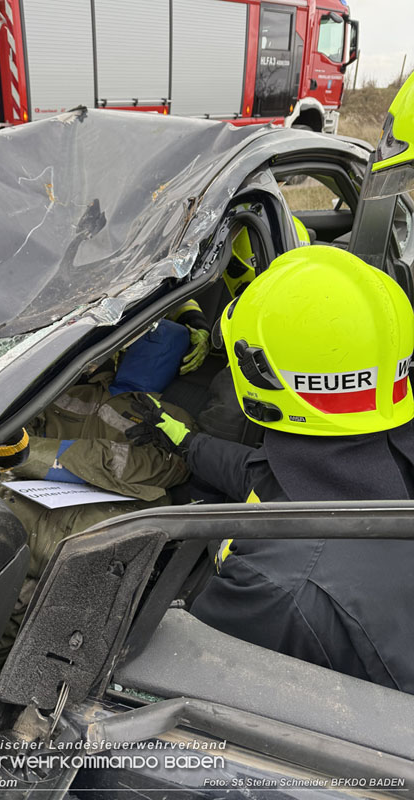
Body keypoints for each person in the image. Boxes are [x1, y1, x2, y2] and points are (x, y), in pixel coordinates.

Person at [127, 244, 414, 694]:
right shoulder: (367, 453)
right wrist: (188, 443)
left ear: (258, 375)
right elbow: (263, 476)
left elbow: (167, 689)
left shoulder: (275, 588)